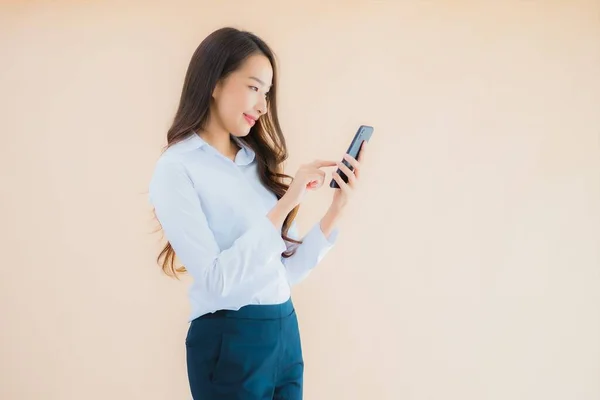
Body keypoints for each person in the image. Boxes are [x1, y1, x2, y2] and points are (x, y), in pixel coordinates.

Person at [148, 27, 367, 400]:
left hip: (283, 330)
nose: (263, 106)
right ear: (214, 82)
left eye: (267, 94)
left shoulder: (255, 163)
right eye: (254, 88)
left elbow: (284, 272)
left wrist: (335, 211)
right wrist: (286, 202)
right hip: (230, 338)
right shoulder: (177, 168)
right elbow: (217, 281)